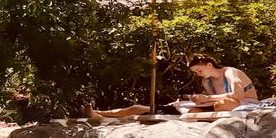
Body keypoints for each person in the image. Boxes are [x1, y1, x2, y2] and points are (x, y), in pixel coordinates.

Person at [83, 53, 259, 118]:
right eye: (195, 72)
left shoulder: (230, 73)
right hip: (215, 105)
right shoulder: (206, 81)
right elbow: (210, 100)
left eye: (199, 70)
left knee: (222, 104)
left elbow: (237, 96)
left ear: (209, 65)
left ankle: (102, 114)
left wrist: (207, 99)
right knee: (142, 108)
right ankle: (100, 113)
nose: (198, 74)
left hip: (242, 103)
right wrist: (199, 99)